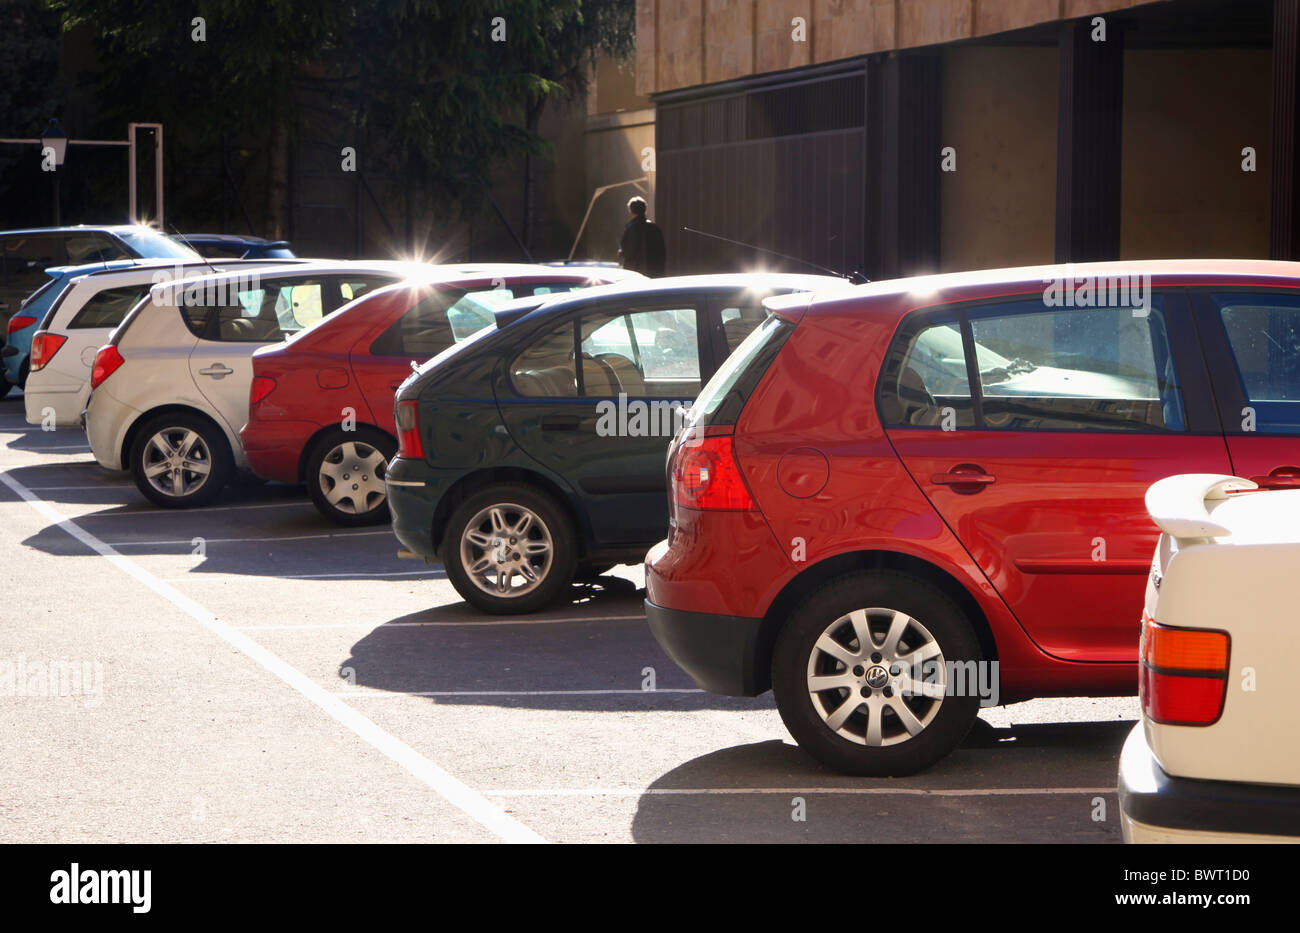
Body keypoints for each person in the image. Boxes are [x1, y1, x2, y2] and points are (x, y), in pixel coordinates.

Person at [618, 196, 666, 276]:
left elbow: (627, 252)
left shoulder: (631, 229)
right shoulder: (654, 228)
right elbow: (662, 252)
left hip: (635, 274)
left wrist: (621, 253)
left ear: (631, 211)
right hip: (654, 273)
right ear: (645, 210)